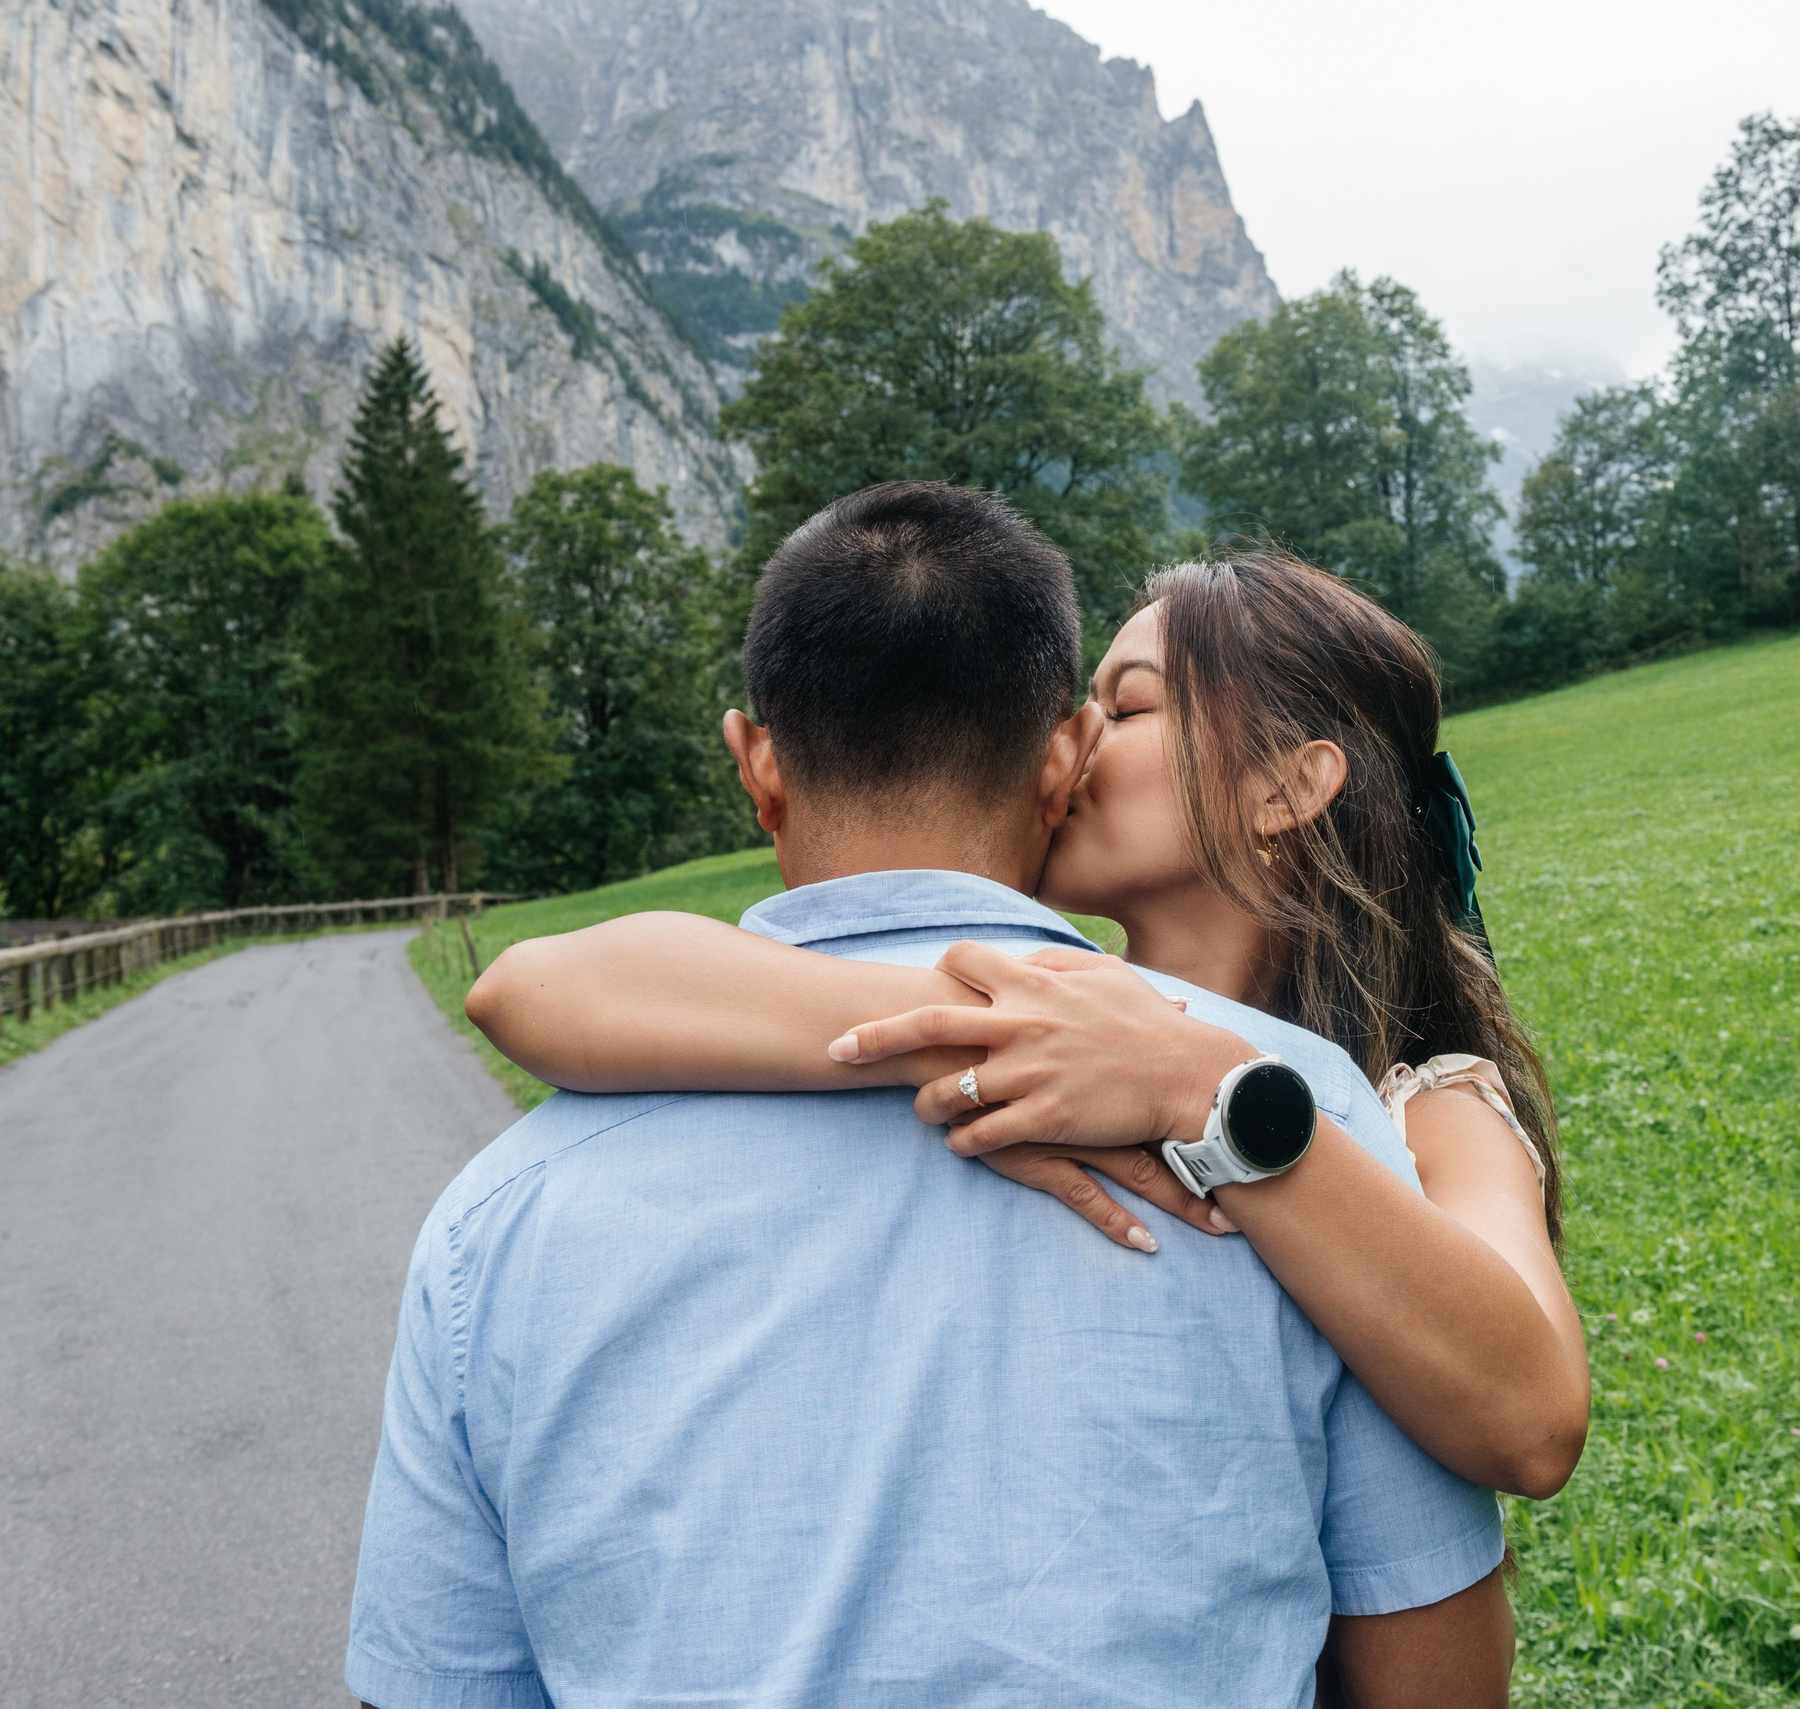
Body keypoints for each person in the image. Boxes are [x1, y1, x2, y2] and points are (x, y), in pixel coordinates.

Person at [346, 484, 1513, 1709]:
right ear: (1061, 757)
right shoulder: (1292, 1115)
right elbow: (1436, 1671)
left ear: (755, 760)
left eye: (1141, 706)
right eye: (1104, 712)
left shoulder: (502, 1213)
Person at [466, 548, 1590, 1504]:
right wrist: (984, 1030)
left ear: (1284, 788)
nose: (1080, 732)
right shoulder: (1048, 1016)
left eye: (1131, 704)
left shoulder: (1433, 1104)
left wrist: (1202, 1086)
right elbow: (533, 989)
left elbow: (1532, 1419)